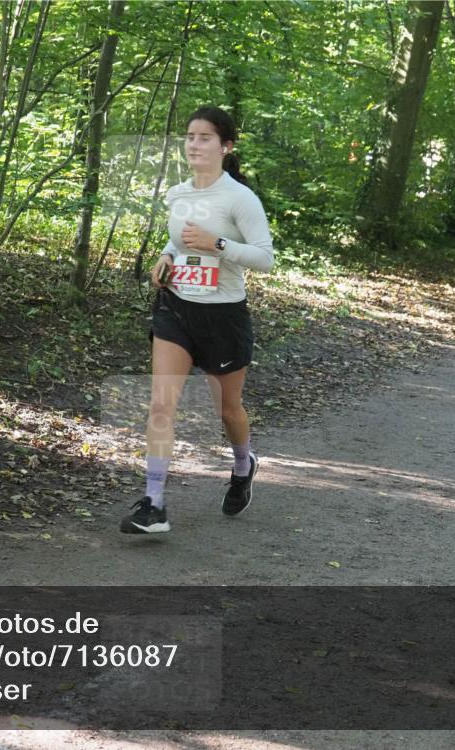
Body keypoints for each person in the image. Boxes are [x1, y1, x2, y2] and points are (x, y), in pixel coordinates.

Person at [120, 106, 274, 534]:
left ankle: (243, 465)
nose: (194, 144)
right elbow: (177, 239)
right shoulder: (178, 193)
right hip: (177, 307)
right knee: (161, 405)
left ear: (226, 146)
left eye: (205, 137)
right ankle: (153, 505)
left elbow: (265, 257)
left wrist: (218, 243)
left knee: (228, 410)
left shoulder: (241, 198)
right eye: (190, 136)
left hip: (223, 316)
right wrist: (166, 256)